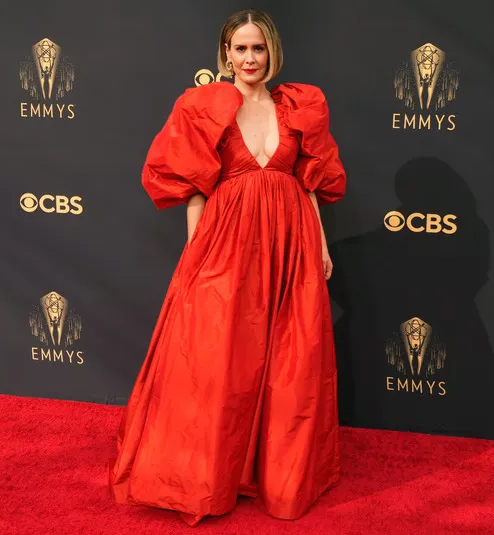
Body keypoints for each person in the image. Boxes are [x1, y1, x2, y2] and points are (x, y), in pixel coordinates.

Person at [109, 8, 346, 526]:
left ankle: (277, 476)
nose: (249, 58)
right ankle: (212, 476)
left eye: (258, 48)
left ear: (272, 51)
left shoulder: (299, 105)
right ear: (225, 53)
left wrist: (322, 245)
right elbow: (196, 187)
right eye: (240, 49)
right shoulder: (203, 106)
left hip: (292, 241)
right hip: (228, 240)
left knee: (289, 359)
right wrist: (197, 250)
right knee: (222, 358)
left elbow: (308, 183)